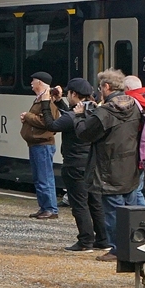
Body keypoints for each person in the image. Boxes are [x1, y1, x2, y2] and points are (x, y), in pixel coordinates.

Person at [74, 69, 143, 262]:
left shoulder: (105, 111)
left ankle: (117, 249)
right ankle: (134, 246)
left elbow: (85, 133)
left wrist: (80, 116)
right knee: (131, 208)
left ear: (106, 87)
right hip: (130, 167)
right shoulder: (135, 106)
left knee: (113, 212)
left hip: (109, 168)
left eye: (100, 87)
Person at [42, 79, 107, 252]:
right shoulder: (95, 111)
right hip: (92, 163)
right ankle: (103, 239)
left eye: (68, 93)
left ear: (74, 94)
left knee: (79, 204)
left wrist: (45, 103)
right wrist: (58, 102)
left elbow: (52, 124)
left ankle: (85, 241)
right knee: (95, 203)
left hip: (74, 164)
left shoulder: (72, 116)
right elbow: (70, 116)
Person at [18, 71, 58, 218]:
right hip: (36, 143)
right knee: (39, 177)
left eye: (33, 81)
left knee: (44, 177)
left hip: (43, 144)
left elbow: (46, 122)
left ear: (40, 83)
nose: (31, 84)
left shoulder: (48, 101)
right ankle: (44, 207)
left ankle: (50, 208)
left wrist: (28, 116)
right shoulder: (40, 99)